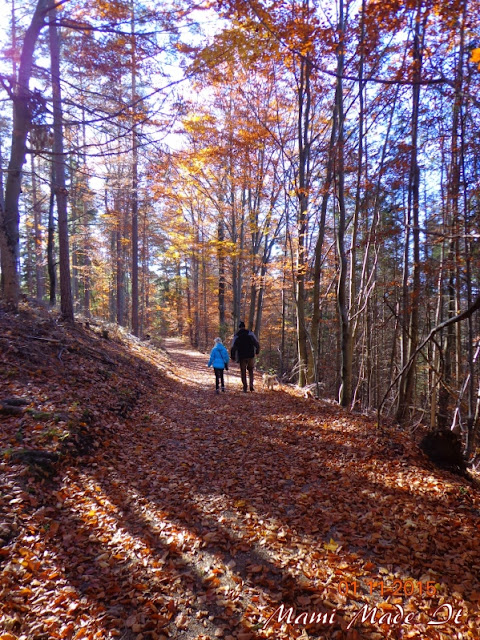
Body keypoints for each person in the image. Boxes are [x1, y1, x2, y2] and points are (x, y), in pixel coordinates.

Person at [230, 321, 260, 392]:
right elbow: (256, 343)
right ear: (244, 326)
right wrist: (257, 351)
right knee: (251, 370)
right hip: (250, 355)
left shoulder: (237, 335)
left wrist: (233, 356)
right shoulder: (250, 333)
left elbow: (233, 347)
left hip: (242, 356)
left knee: (243, 372)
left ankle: (245, 387)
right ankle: (251, 386)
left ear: (239, 327)